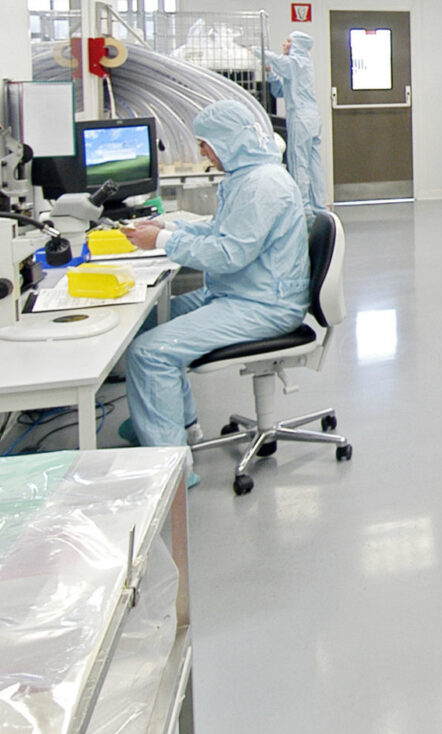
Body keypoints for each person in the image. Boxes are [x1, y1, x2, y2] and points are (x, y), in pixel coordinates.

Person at [117, 101, 310, 469]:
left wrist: (161, 243)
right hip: (240, 291)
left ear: (228, 142)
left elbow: (228, 254)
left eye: (205, 143)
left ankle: (170, 471)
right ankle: (175, 426)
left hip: (263, 305)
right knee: (146, 324)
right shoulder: (247, 175)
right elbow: (222, 230)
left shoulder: (262, 185)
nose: (202, 152)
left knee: (151, 352)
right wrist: (168, 229)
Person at [263, 30, 326, 213]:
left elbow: (277, 61)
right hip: (311, 119)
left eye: (288, 41)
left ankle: (304, 209)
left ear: (296, 45)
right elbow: (280, 92)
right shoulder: (302, 65)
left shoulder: (297, 63)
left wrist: (255, 51)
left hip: (301, 119)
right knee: (313, 164)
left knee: (299, 163)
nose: (284, 44)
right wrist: (272, 75)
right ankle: (319, 206)